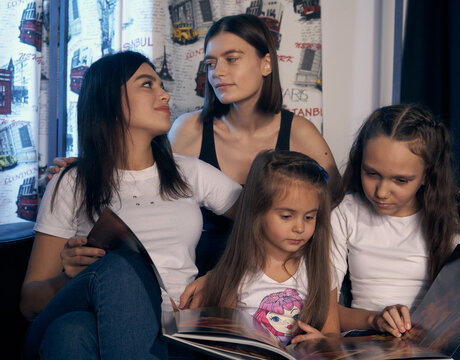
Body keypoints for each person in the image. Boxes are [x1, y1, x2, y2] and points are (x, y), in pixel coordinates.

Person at [49, 14, 340, 278]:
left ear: (266, 64)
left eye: (232, 59)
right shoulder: (190, 129)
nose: (218, 73)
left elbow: (333, 205)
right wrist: (92, 164)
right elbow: (143, 172)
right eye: (211, 63)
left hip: (270, 267)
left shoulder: (300, 131)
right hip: (201, 272)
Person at [20, 51, 242, 359]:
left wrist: (218, 276)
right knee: (122, 265)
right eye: (147, 84)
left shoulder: (189, 172)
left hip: (170, 327)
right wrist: (66, 277)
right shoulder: (73, 180)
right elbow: (29, 303)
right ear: (109, 99)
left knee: (71, 332)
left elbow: (268, 220)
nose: (164, 94)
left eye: (160, 84)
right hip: (90, 302)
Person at [331, 104, 460, 360]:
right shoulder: (345, 213)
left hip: (438, 342)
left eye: (400, 180)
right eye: (371, 173)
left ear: (427, 176)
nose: (382, 192)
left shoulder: (453, 221)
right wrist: (375, 319)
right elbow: (327, 314)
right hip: (367, 339)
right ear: (359, 163)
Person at [196, 150, 340, 345]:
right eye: (287, 216)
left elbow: (332, 336)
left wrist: (321, 343)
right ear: (258, 211)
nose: (299, 227)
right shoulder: (236, 273)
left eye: (309, 217)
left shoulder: (321, 271)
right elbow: (224, 341)